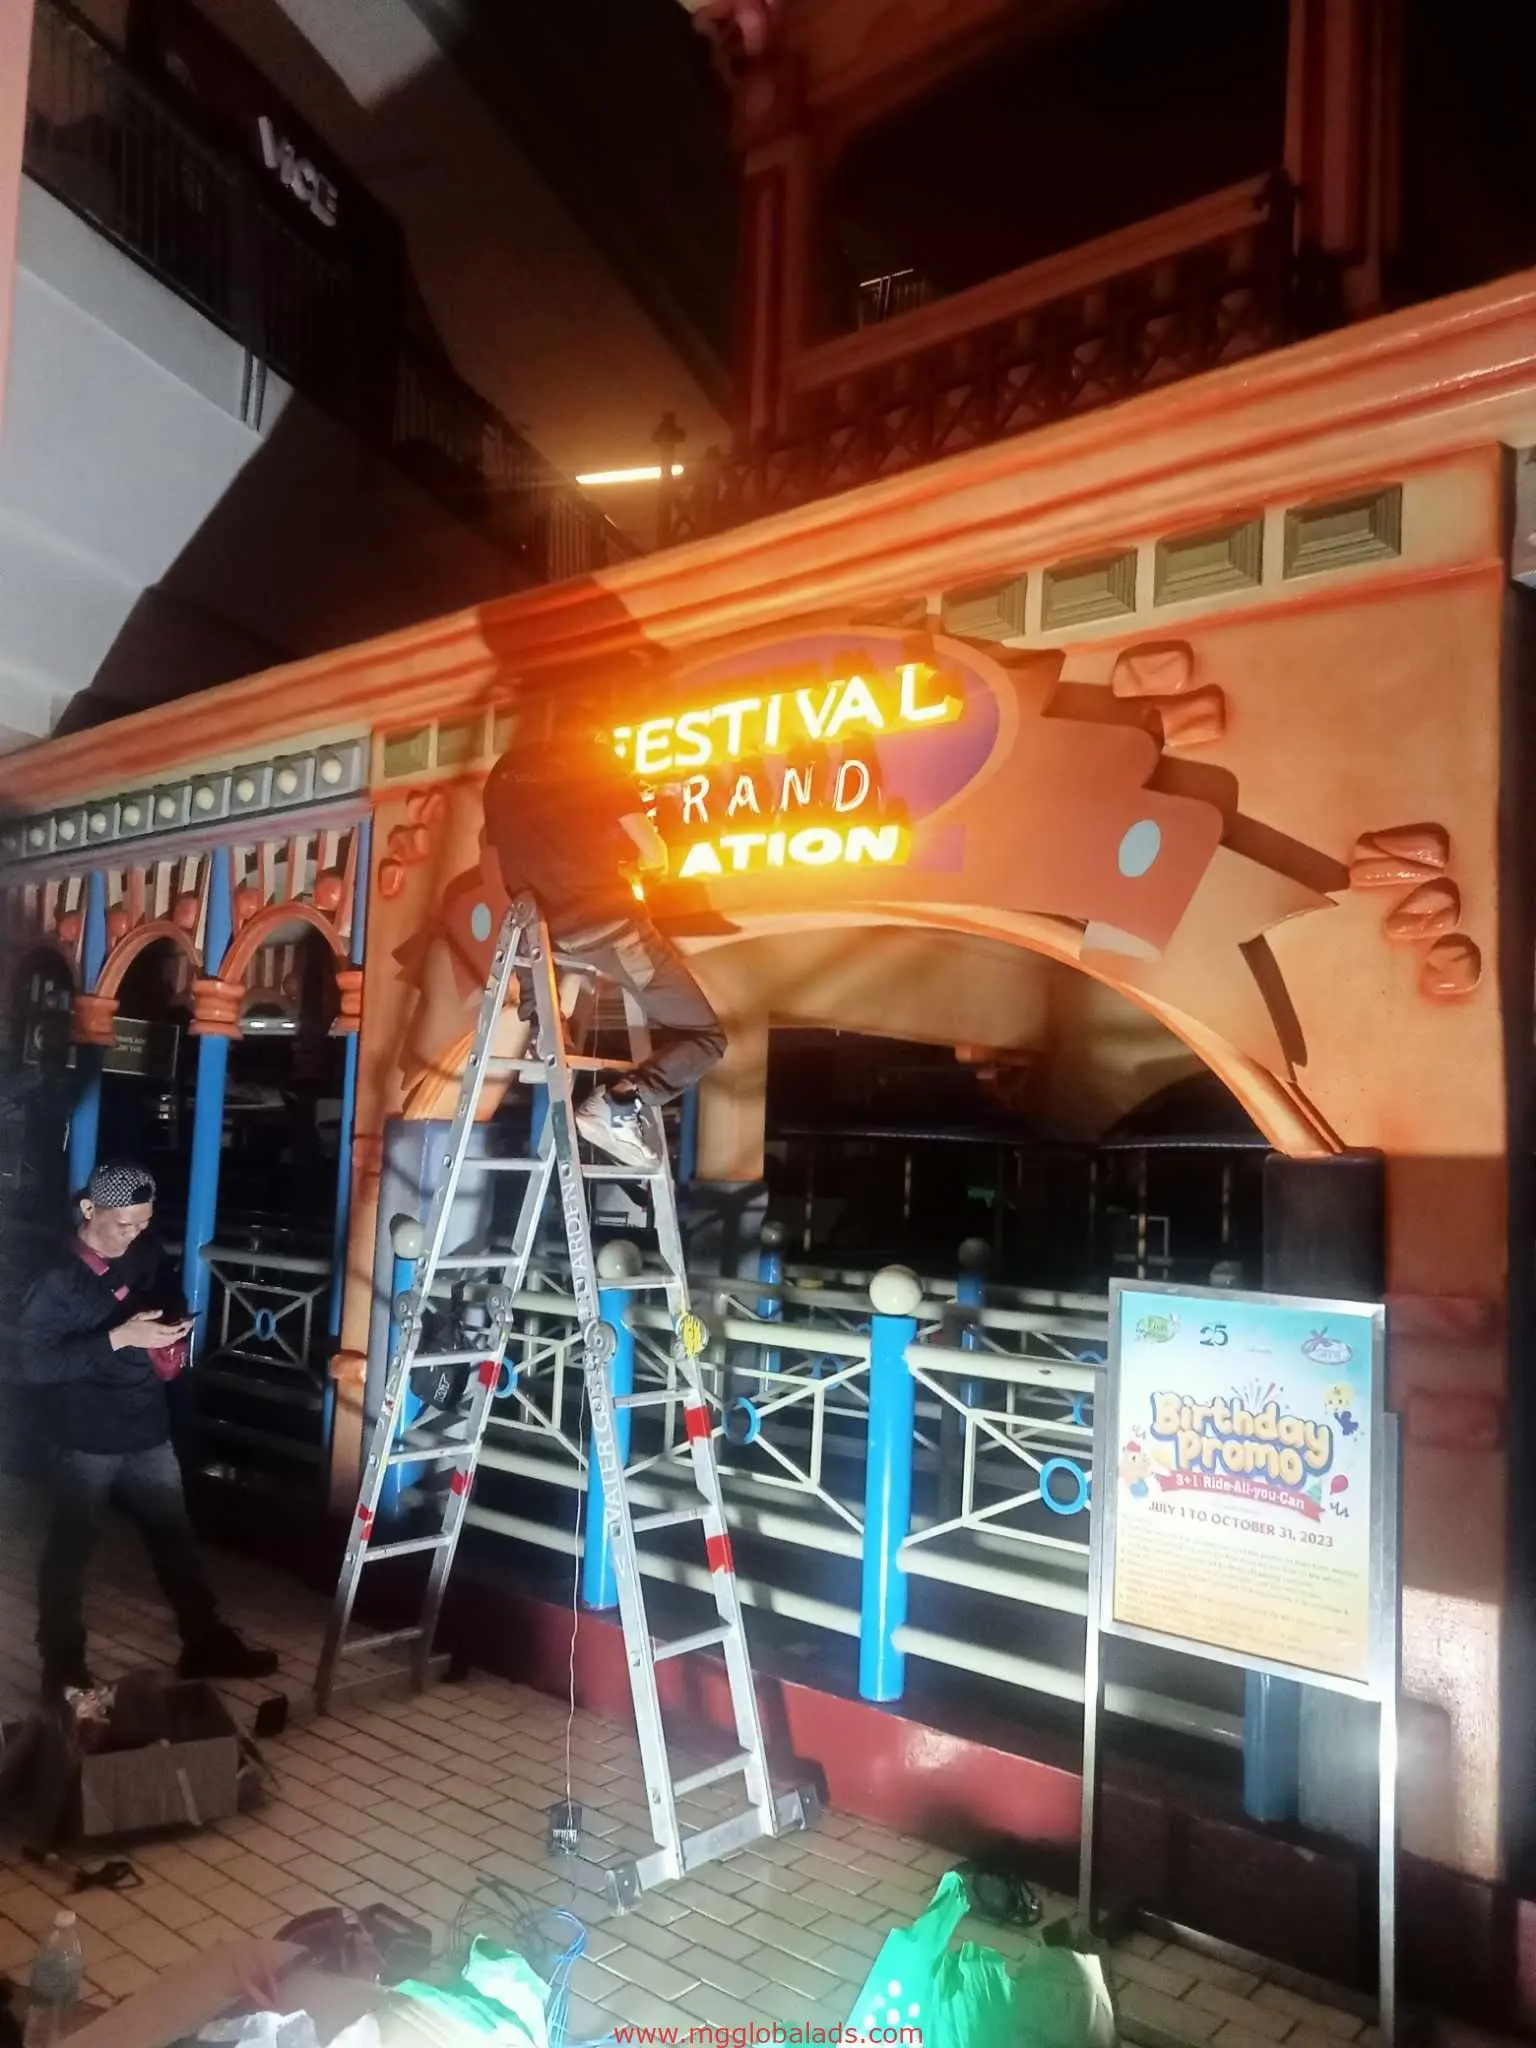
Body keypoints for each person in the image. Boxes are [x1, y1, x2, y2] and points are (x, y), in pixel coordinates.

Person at [20, 1160, 279, 1697]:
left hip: (146, 1426)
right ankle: (62, 1668)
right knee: (70, 1551)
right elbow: (36, 1364)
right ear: (89, 1209)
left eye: (143, 1223)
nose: (134, 1234)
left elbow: (164, 1295)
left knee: (173, 1537)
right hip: (83, 1437)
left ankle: (204, 1641)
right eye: (124, 1224)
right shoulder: (55, 1276)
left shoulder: (146, 1250)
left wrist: (171, 1324)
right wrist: (119, 1338)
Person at [482, 722, 726, 1170]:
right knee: (706, 1037)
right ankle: (620, 1102)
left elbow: (510, 848)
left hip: (537, 931)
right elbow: (655, 854)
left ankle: (543, 1030)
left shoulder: (505, 772)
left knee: (545, 1003)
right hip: (608, 929)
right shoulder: (598, 768)